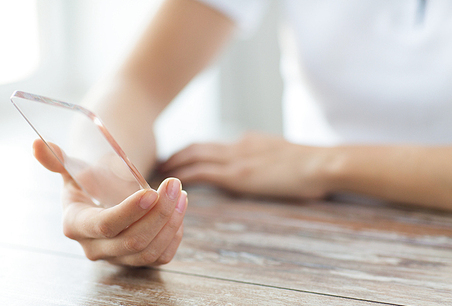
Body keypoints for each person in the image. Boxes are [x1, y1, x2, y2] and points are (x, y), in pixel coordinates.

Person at [34, 0, 452, 266]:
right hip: (319, 241)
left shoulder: (315, 166)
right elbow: (135, 86)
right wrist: (103, 177)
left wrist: (324, 162)